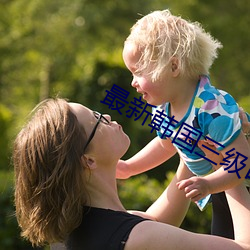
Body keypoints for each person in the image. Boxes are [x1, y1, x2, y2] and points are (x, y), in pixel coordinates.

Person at [13, 98, 250, 250]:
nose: (106, 116)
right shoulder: (138, 238)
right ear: (88, 160)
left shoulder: (73, 234)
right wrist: (229, 164)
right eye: (97, 120)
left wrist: (191, 146)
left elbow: (157, 221)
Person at [118, 9, 250, 239]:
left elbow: (241, 162)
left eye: (138, 72)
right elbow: (165, 144)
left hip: (239, 185)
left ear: (173, 67)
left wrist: (208, 184)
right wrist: (130, 167)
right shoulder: (164, 108)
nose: (133, 82)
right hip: (220, 188)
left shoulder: (211, 108)